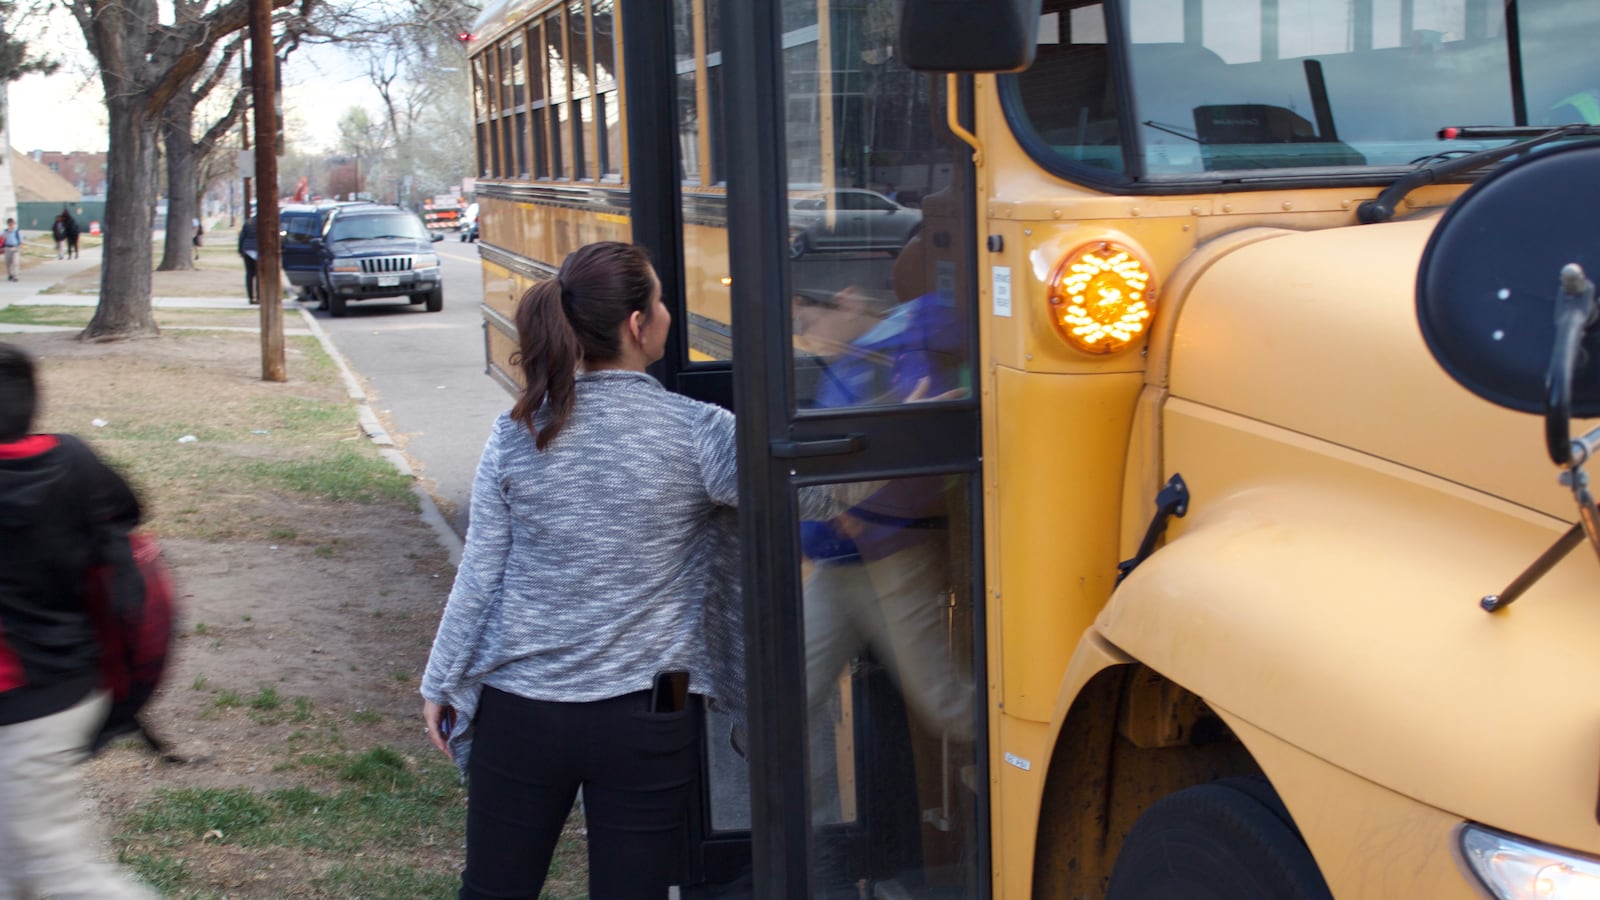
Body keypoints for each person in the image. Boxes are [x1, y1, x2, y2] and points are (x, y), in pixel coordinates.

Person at [419, 241, 745, 899]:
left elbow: (481, 571)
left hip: (521, 713)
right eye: (658, 299)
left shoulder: (519, 430)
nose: (667, 311)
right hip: (649, 718)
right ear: (636, 324)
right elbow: (809, 491)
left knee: (493, 892)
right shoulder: (700, 432)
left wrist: (442, 682)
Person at [0, 343, 157, 898]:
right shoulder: (71, 457)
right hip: (69, 684)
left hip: (29, 704)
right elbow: (129, 510)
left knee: (61, 873)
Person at [238, 215, 259, 305]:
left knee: (249, 274)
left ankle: (251, 297)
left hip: (247, 249)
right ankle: (259, 297)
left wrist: (240, 250)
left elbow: (242, 236)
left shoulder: (248, 222)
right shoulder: (264, 223)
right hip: (258, 249)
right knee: (259, 275)